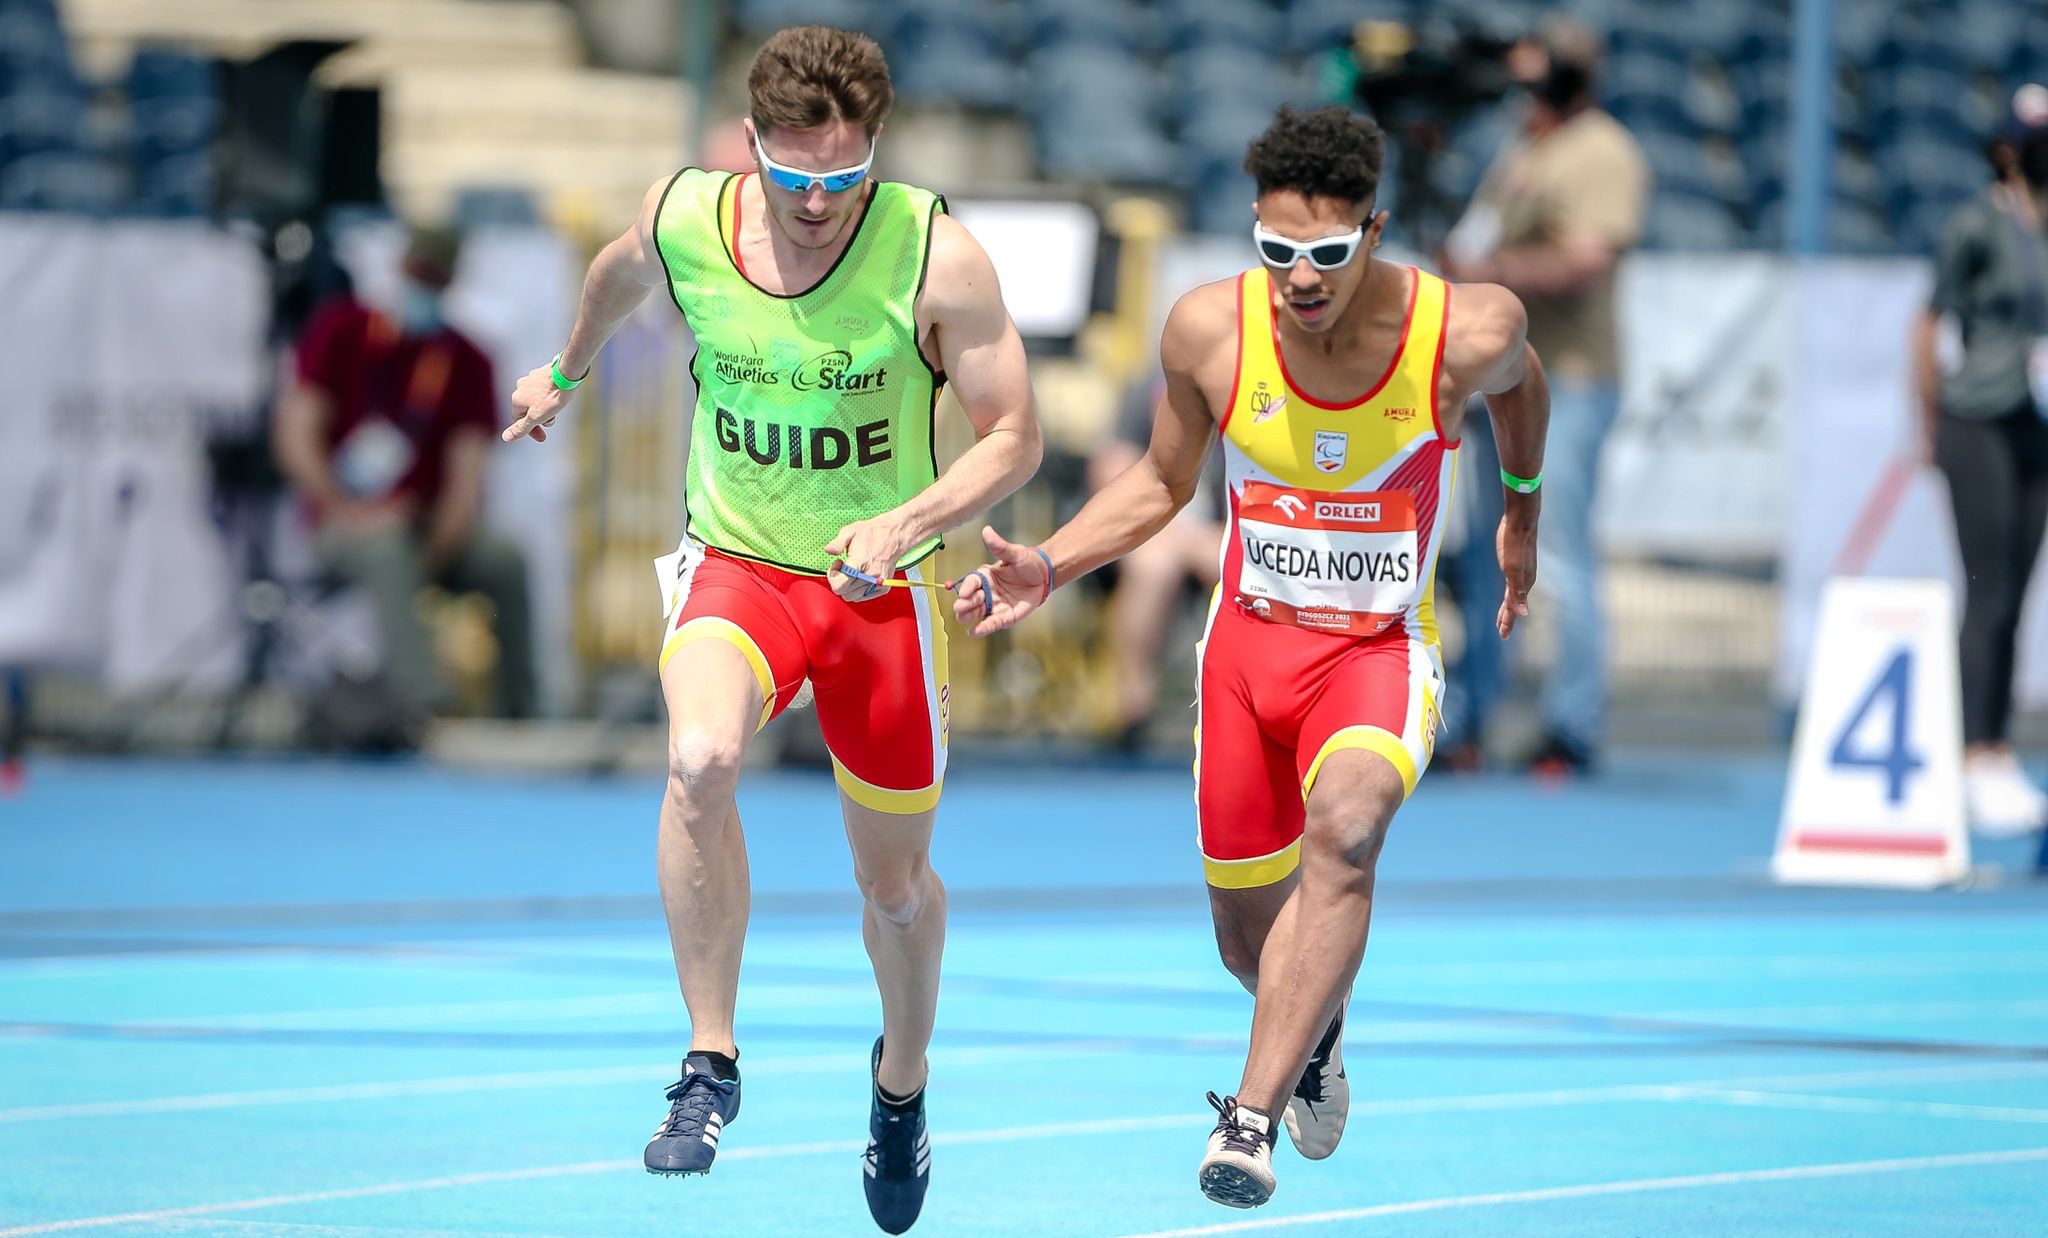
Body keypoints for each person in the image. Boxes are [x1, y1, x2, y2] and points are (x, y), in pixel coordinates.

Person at [954, 105, 1549, 1209]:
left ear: (1374, 231)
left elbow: (1523, 384)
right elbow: (1159, 482)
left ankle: (1249, 1119)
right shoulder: (1208, 332)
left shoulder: (1463, 329)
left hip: (1375, 654)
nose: (1299, 278)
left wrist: (1520, 506)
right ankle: (1315, 1032)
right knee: (1247, 944)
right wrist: (1050, 563)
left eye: (1325, 253)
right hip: (1243, 661)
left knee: (1347, 830)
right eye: (1276, 250)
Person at [499, 26, 1041, 1233]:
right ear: (750, 144)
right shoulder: (686, 215)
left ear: (874, 152)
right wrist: (564, 374)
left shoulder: (935, 255)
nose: (815, 202)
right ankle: (709, 1060)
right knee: (698, 758)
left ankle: (899, 1084)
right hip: (740, 563)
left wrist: (908, 517)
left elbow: (1016, 434)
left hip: (876, 594)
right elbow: (616, 274)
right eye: (792, 174)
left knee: (891, 888)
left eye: (842, 177)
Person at [1437, 19, 1648, 776]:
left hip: (1573, 378)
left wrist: (1490, 271)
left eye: (1533, 76)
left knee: (1557, 553)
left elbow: (1586, 262)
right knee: (1486, 555)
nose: (1519, 90)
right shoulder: (1524, 147)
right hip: (1504, 378)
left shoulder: (1603, 151)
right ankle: (1470, 717)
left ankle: (1572, 724)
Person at [274, 225, 537, 727]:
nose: (425, 286)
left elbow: (466, 478)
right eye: (420, 273)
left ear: (452, 282)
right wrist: (344, 507)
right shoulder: (342, 330)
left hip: (426, 527)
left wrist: (440, 544)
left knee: (505, 561)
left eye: (436, 278)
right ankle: (426, 706)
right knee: (385, 546)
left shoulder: (468, 359)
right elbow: (297, 437)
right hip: (345, 522)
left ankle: (519, 708)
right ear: (400, 268)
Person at [1912, 88, 2048, 837]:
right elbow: (1927, 322)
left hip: (2037, 424)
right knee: (1987, 590)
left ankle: (1998, 748)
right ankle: (1974, 752)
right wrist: (1928, 424)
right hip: (1978, 417)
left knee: (2019, 593)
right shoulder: (1976, 225)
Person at [1086, 370, 1223, 749]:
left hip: (1230, 534)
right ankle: (1134, 710)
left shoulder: (1253, 389)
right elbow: (1110, 470)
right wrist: (1183, 539)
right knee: (1154, 564)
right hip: (1156, 533)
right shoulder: (1145, 388)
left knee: (1248, 568)